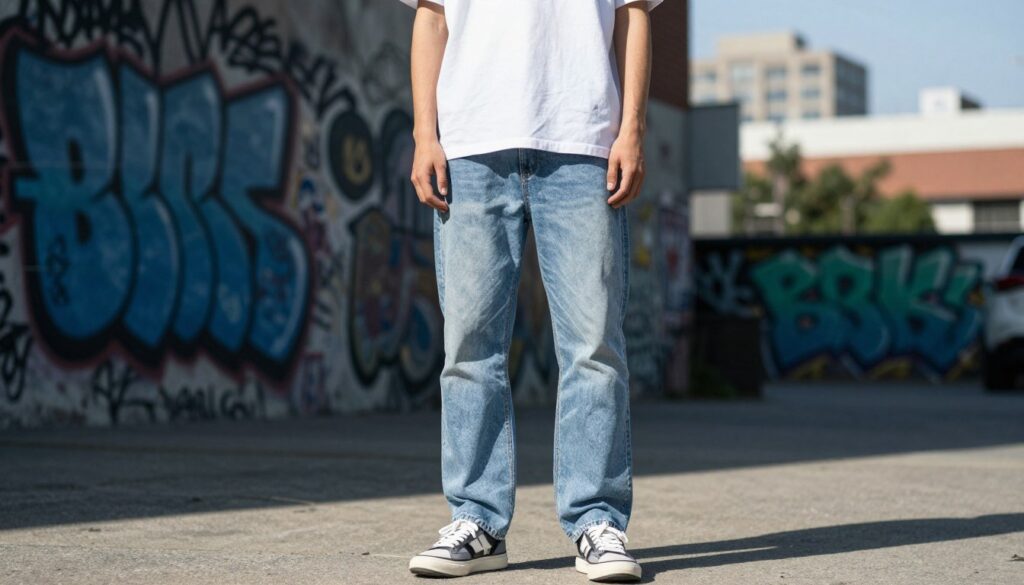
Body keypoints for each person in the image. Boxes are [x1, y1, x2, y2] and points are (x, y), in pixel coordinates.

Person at [398, 0, 661, 581]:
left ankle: (598, 521)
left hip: (582, 141)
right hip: (469, 146)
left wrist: (633, 129)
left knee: (594, 346)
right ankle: (478, 521)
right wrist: (424, 134)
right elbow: (432, 15)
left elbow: (635, 12)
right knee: (469, 348)